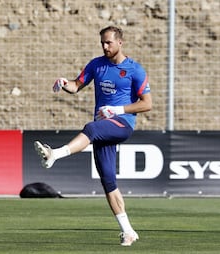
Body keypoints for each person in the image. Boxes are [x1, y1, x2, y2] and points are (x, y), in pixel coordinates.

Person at [34, 26, 152, 246]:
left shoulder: (135, 70)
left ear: (120, 43)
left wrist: (117, 110)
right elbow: (77, 85)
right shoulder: (96, 65)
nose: (105, 47)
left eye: (108, 43)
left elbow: (147, 104)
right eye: (102, 43)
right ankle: (128, 231)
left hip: (121, 124)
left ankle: (54, 154)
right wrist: (64, 82)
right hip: (102, 128)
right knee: (108, 180)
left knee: (90, 128)